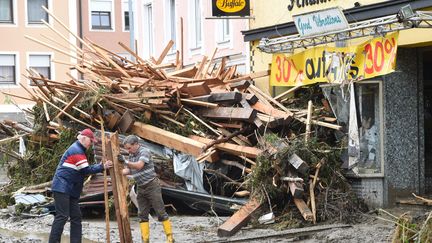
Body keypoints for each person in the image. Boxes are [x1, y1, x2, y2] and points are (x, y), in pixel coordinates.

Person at [49, 128, 112, 243]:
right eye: (91, 141)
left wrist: (100, 166)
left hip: (69, 189)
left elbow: (83, 169)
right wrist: (102, 166)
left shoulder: (79, 149)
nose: (91, 143)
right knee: (62, 216)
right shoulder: (76, 150)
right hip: (62, 188)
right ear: (83, 138)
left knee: (76, 217)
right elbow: (85, 170)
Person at [120, 135, 174, 243]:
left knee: (160, 212)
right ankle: (145, 240)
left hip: (152, 186)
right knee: (142, 214)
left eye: (129, 148)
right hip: (141, 187)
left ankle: (170, 238)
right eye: (127, 148)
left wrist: (125, 162)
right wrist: (115, 169)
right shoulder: (131, 155)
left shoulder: (145, 152)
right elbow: (129, 170)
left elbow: (139, 166)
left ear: (136, 144)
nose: (128, 150)